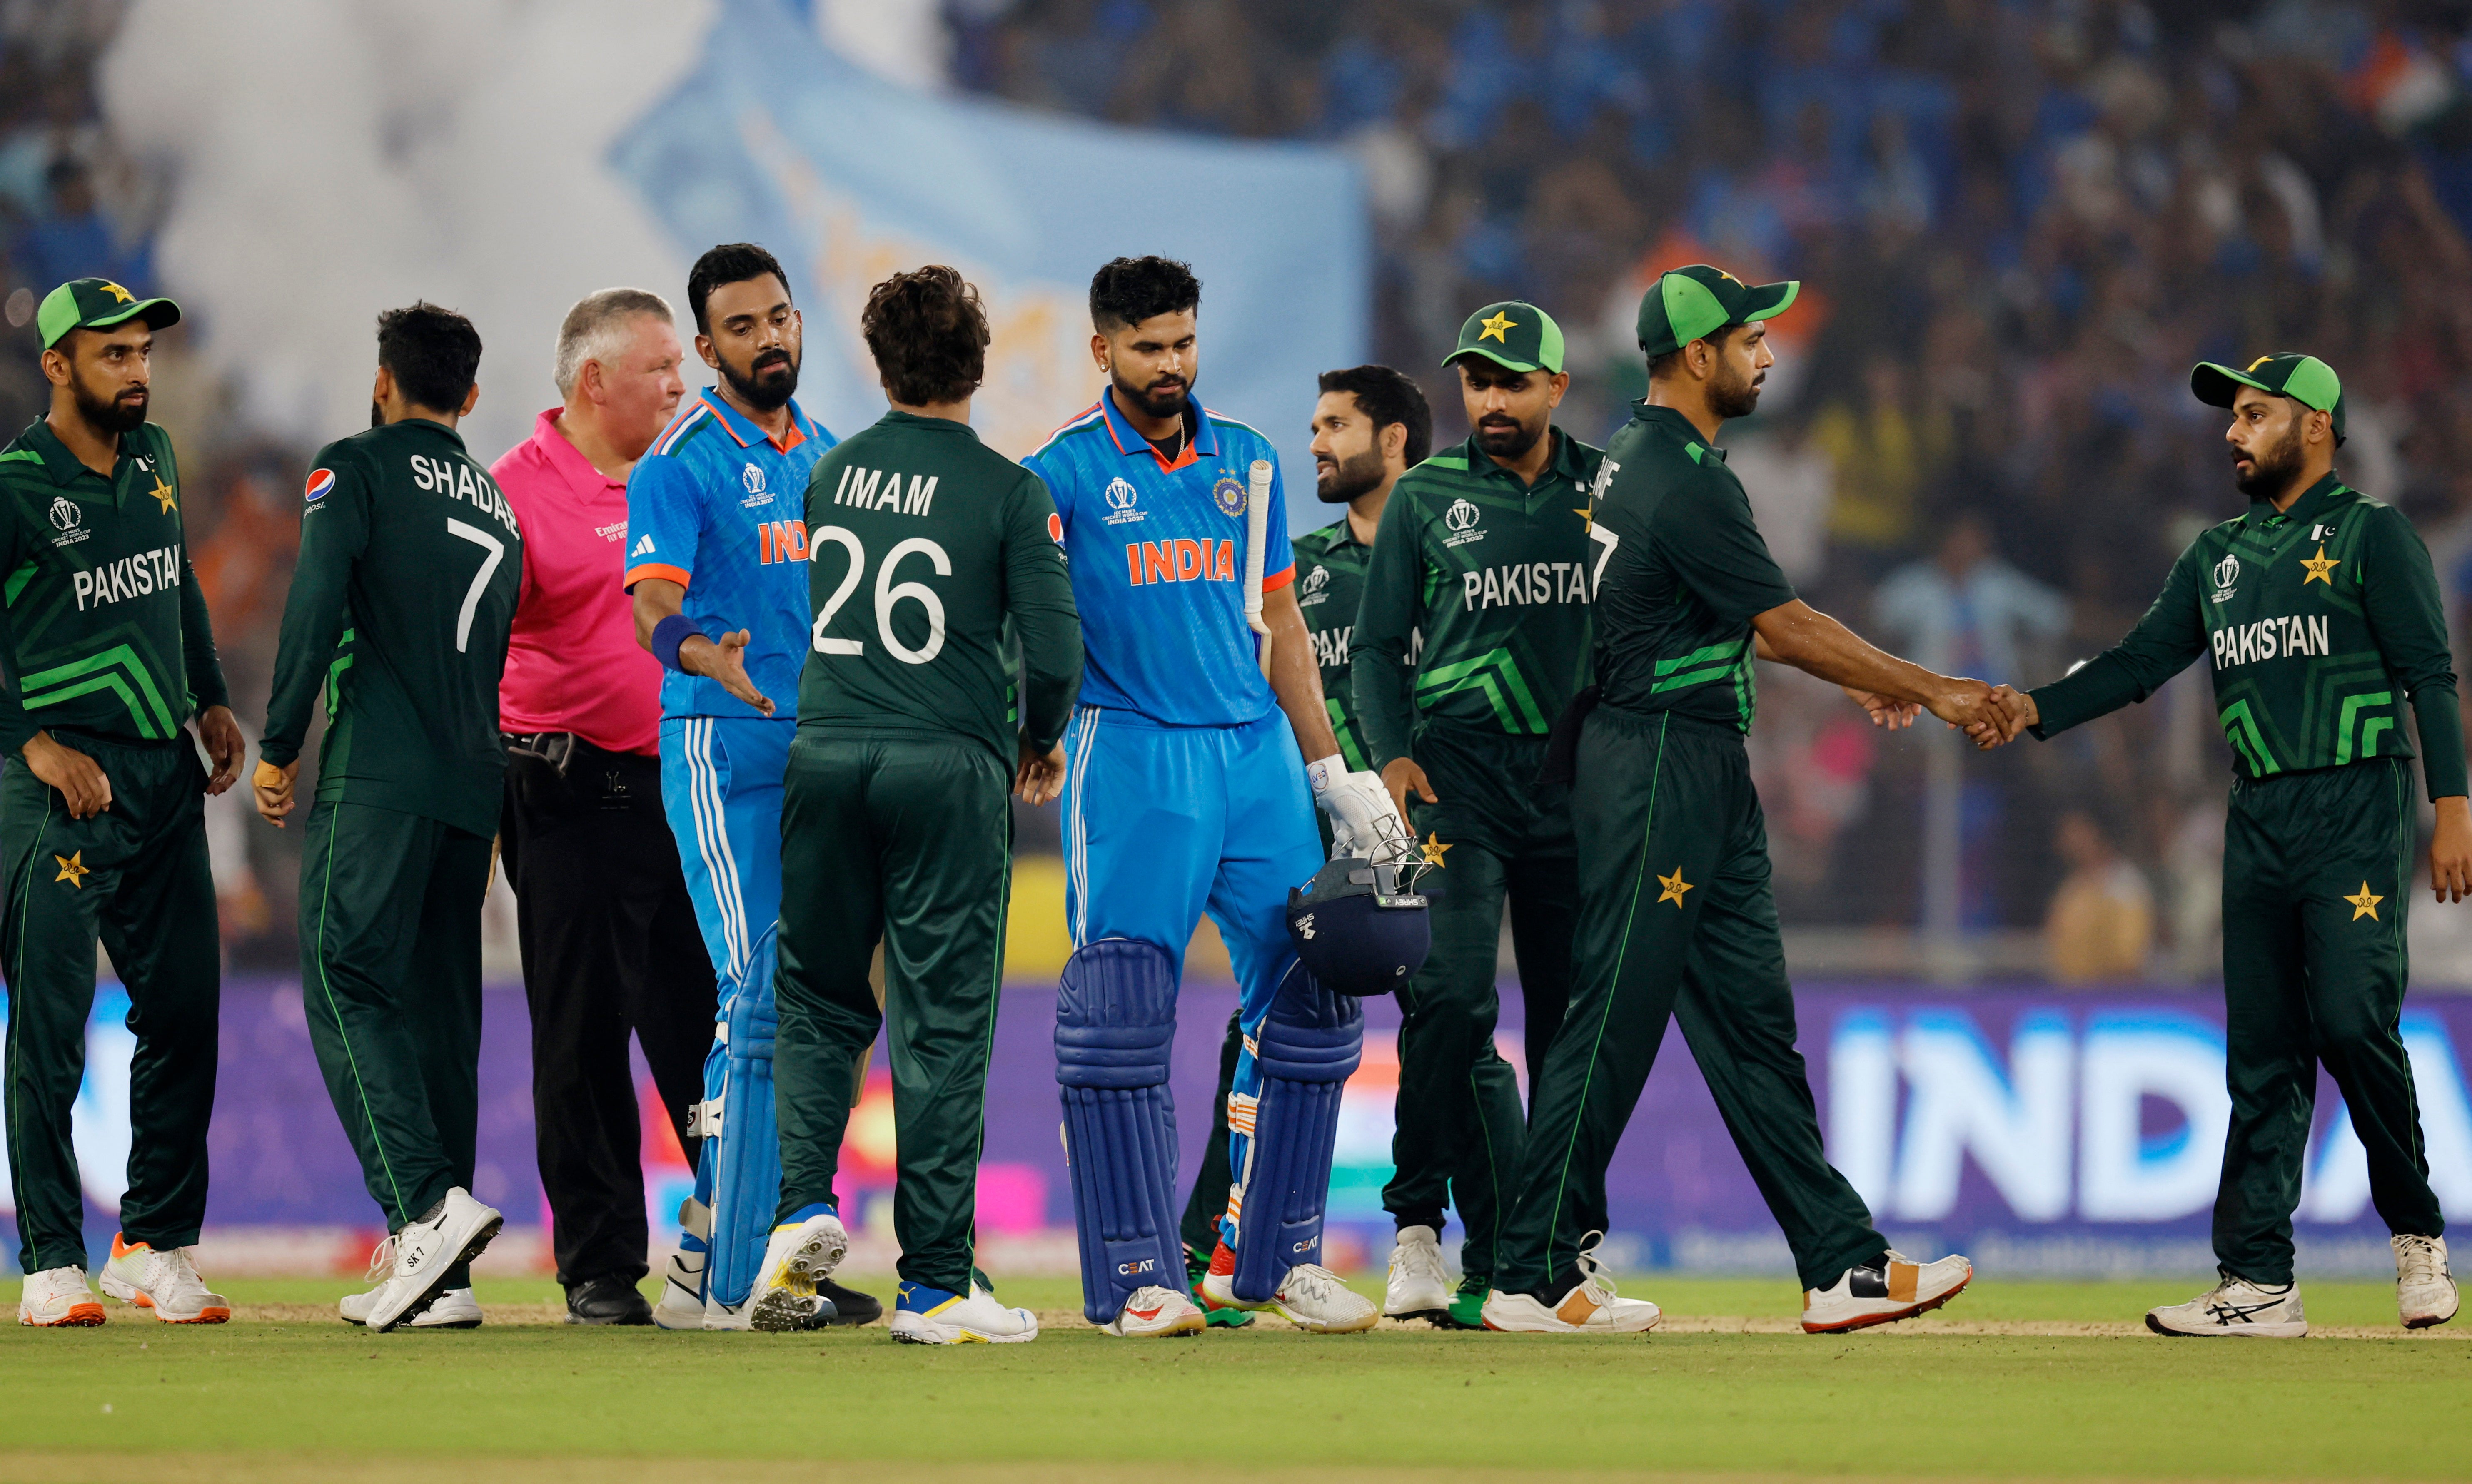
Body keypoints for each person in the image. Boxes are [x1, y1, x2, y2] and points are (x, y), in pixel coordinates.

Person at [1482, 265, 1992, 1335]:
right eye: (1751, 337)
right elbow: (1785, 617)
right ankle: (1530, 1272)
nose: (1768, 354)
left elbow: (1747, 619)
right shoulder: (1685, 477)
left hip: (1691, 758)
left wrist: (1853, 674)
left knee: (1755, 1029)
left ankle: (1839, 1264)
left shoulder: (1638, 456)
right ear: (1699, 356)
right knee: (1612, 1017)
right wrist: (1931, 687)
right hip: (1662, 759)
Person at [1992, 353, 2466, 1337]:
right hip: (2257, 820)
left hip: (2354, 808)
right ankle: (2256, 1281)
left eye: (2255, 416)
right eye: (2232, 416)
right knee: (2260, 1051)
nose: (2231, 432)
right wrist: (2027, 710)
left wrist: (2453, 809)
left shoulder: (2374, 536)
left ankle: (2416, 1240)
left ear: (2318, 427)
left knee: (2350, 1020)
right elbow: (2135, 665)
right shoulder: (2215, 553)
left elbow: (2429, 676)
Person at [1023, 256, 1404, 1337]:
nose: (1172, 365)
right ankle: (1137, 1278)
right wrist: (1036, 731)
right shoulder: (1057, 473)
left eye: (1184, 342)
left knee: (1319, 1000)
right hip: (1134, 755)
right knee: (1118, 1022)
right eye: (1149, 347)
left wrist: (1334, 773)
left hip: (1255, 757)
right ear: (1103, 350)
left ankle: (1276, 1258)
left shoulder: (1247, 457)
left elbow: (1281, 626)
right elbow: (1036, 630)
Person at [746, 265, 1081, 1344]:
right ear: (977, 364)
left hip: (826, 752)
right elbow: (1058, 652)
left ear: (882, 364)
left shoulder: (829, 476)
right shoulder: (1008, 490)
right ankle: (937, 1278)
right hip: (946, 764)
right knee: (940, 1019)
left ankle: (800, 1211)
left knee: (819, 997)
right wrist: (1037, 741)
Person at [254, 302, 522, 1334]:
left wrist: (280, 743)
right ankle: (442, 1280)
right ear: (470, 397)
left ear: (383, 383)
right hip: (470, 790)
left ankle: (422, 1212)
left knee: (341, 972)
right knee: (440, 1017)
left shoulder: (353, 468)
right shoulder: (496, 505)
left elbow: (316, 600)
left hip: (380, 779)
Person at [620, 242, 868, 1330]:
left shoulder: (828, 452)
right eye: (744, 325)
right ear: (708, 345)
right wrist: (694, 650)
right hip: (724, 750)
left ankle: (710, 1255)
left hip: (822, 752)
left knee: (813, 1001)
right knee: (756, 987)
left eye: (781, 317)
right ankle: (734, 1282)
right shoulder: (679, 459)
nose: (771, 338)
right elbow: (648, 604)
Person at [1350, 303, 1598, 1329]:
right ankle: (1415, 1232)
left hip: (1578, 784)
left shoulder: (1607, 487)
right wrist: (1390, 756)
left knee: (1572, 1028)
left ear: (1556, 387)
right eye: (1475, 381)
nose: (1490, 400)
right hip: (1456, 781)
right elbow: (1372, 650)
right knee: (1449, 999)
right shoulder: (1426, 499)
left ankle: (1564, 1256)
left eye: (1510, 381)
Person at [1, 278, 242, 1327]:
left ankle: (150, 1242)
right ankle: (52, 1258)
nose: (138, 373)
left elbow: (172, 581)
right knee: (51, 1019)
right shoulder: (14, 484)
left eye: (142, 354)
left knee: (186, 1008)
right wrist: (33, 743)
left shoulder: (155, 459)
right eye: (114, 356)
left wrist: (213, 698)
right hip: (60, 782)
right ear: (57, 367)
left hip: (160, 769)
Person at [1172, 362, 1431, 1316]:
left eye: (1333, 425)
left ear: (1393, 438)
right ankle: (1227, 1245)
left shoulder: (1450, 559)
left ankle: (1447, 1250)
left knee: (1447, 1035)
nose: (1313, 442)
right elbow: (1250, 687)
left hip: (1426, 843)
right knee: (1272, 1025)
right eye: (1312, 424)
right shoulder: (1296, 572)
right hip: (1307, 844)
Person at [492, 288, 713, 1326]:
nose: (684, 381)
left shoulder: (695, 473)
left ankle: (747, 1249)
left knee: (717, 1032)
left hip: (692, 792)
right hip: (569, 791)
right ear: (593, 382)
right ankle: (601, 1268)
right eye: (663, 366)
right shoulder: (510, 493)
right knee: (580, 1038)